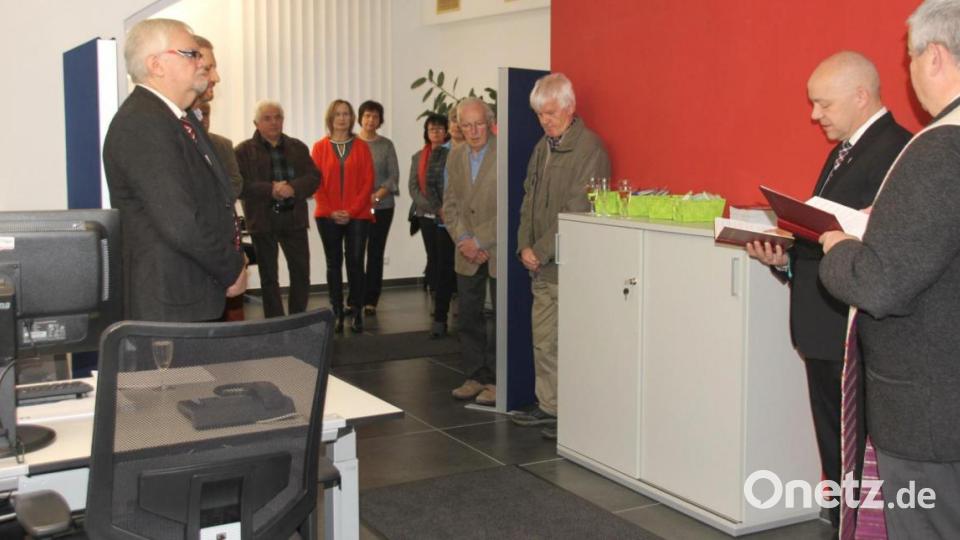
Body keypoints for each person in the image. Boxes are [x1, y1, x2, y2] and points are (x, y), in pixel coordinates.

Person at [746, 51, 911, 528]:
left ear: (861, 96)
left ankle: (856, 523)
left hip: (852, 329)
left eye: (824, 104)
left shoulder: (897, 151)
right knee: (835, 444)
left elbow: (879, 248)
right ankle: (844, 518)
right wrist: (787, 262)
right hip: (823, 328)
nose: (815, 115)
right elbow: (823, 239)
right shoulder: (846, 150)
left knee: (856, 449)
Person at [819, 1, 960, 535]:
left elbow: (880, 284)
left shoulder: (939, 150)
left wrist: (838, 246)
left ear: (936, 57)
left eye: (910, 58)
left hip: (932, 416)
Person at [103, 18, 245, 322]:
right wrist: (231, 267)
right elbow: (180, 221)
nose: (201, 62)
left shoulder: (178, 119)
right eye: (191, 54)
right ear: (156, 64)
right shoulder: (142, 122)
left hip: (193, 292)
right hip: (170, 303)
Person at [512, 73, 611, 439]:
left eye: (550, 113)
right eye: (539, 115)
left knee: (570, 341)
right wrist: (524, 246)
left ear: (569, 108)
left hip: (570, 265)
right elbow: (528, 201)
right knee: (544, 339)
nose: (545, 121)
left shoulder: (590, 150)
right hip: (540, 265)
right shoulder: (543, 148)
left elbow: (577, 210)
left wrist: (538, 250)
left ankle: (572, 413)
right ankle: (549, 406)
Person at [235, 101, 320, 319]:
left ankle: (298, 319)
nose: (274, 122)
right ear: (256, 123)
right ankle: (275, 322)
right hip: (262, 222)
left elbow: (314, 177)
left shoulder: (297, 147)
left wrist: (293, 188)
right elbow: (239, 185)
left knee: (301, 273)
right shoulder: (243, 151)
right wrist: (271, 189)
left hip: (294, 220)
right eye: (267, 118)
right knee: (269, 277)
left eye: (278, 117)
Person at [444, 98, 498, 406]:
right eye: (467, 125)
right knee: (469, 317)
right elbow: (450, 204)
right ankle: (475, 375)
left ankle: (497, 380)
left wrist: (481, 240)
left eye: (479, 123)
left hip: (495, 250)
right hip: (465, 251)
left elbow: (514, 205)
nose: (473, 130)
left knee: (500, 321)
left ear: (489, 122)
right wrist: (464, 239)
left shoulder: (506, 153)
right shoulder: (455, 156)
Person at [311, 99, 374, 333]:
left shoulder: (362, 147)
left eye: (346, 113)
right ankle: (336, 311)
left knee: (356, 262)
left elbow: (368, 182)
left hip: (357, 216)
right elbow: (317, 182)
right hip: (327, 216)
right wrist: (331, 211)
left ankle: (356, 309)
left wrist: (352, 211)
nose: (342, 118)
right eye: (337, 114)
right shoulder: (319, 147)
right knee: (333, 263)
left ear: (352, 118)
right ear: (330, 118)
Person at [408, 114, 454, 336]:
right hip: (428, 214)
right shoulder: (420, 156)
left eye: (439, 129)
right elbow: (414, 188)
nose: (435, 133)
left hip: (450, 216)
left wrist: (446, 210)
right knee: (434, 258)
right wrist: (436, 208)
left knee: (446, 262)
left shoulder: (451, 153)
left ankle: (443, 306)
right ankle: (438, 302)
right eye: (431, 129)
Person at [356, 100, 400, 315]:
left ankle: (371, 299)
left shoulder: (386, 145)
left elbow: (393, 177)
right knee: (355, 253)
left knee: (375, 252)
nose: (370, 120)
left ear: (380, 120)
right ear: (360, 118)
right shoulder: (350, 143)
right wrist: (361, 198)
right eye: (366, 115)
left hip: (382, 206)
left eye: (374, 116)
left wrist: (375, 196)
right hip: (356, 207)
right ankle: (355, 296)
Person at [195, 100, 243, 199]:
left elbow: (235, 182)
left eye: (205, 114)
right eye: (197, 114)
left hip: (221, 207)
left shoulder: (224, 145)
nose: (202, 119)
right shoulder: (179, 142)